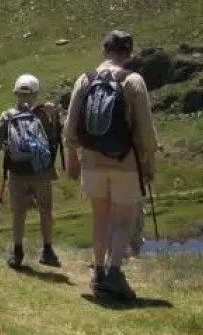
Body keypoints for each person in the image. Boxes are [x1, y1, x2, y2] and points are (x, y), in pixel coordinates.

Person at [65, 30, 157, 301]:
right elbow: (146, 130)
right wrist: (149, 159)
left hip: (91, 160)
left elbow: (71, 125)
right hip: (125, 161)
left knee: (100, 217)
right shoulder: (133, 80)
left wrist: (72, 153)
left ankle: (99, 272)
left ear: (104, 50)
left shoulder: (85, 79)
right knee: (123, 218)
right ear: (128, 53)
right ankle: (115, 272)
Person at [0, 74, 63, 269]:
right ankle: (47, 250)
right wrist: (54, 117)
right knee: (45, 210)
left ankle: (17, 252)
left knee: (18, 213)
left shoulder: (7, 115)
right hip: (42, 172)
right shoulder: (43, 114)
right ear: (36, 94)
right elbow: (53, 141)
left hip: (16, 172)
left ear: (15, 93)